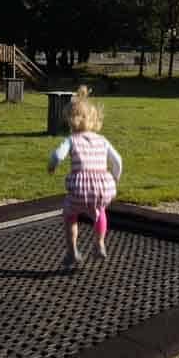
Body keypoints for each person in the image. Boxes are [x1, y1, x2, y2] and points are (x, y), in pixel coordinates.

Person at [48, 86, 122, 267]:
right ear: (94, 120)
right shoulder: (102, 140)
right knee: (101, 212)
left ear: (70, 121)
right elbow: (118, 161)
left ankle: (72, 250)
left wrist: (51, 166)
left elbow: (57, 156)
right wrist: (114, 178)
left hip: (79, 189)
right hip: (102, 189)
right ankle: (99, 243)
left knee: (70, 215)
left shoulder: (72, 140)